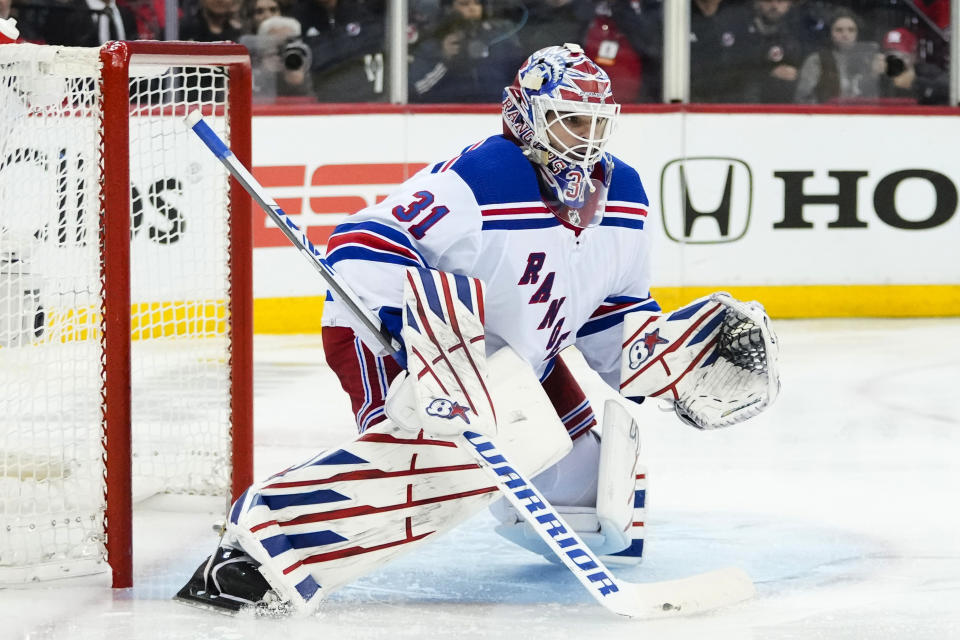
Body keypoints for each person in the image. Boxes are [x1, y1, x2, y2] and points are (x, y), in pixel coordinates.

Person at [175, 43, 778, 614]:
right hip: (398, 343)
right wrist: (430, 342)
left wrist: (661, 360)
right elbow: (359, 246)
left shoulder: (626, 195)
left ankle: (502, 485)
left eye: (598, 123)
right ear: (526, 115)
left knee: (600, 493)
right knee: (438, 465)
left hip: (516, 358)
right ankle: (252, 552)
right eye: (571, 121)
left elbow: (609, 309)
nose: (587, 140)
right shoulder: (483, 178)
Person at [408, 0, 525, 102]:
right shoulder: (433, 45)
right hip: (447, 115)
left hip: (496, 110)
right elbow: (414, 90)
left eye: (477, 3)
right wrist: (445, 61)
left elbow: (520, 79)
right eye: (464, 4)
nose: (472, 8)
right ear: (448, 9)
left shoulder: (499, 38)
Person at [794, 8, 881, 103]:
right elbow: (802, 98)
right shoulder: (816, 60)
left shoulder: (868, 60)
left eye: (851, 30)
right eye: (839, 30)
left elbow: (875, 98)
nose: (845, 34)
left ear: (857, 33)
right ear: (830, 33)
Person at [733, 0, 807, 103]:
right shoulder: (742, 28)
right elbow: (735, 70)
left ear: (789, 4)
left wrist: (798, 74)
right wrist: (768, 74)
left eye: (780, 1)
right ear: (758, 3)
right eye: (768, 1)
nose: (774, 6)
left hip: (793, 103)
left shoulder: (800, 30)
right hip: (753, 103)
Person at [877, 27, 949, 105]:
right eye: (891, 56)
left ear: (914, 56)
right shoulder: (880, 73)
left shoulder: (927, 72)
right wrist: (873, 76)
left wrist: (915, 82)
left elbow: (950, 90)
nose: (896, 61)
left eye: (903, 56)